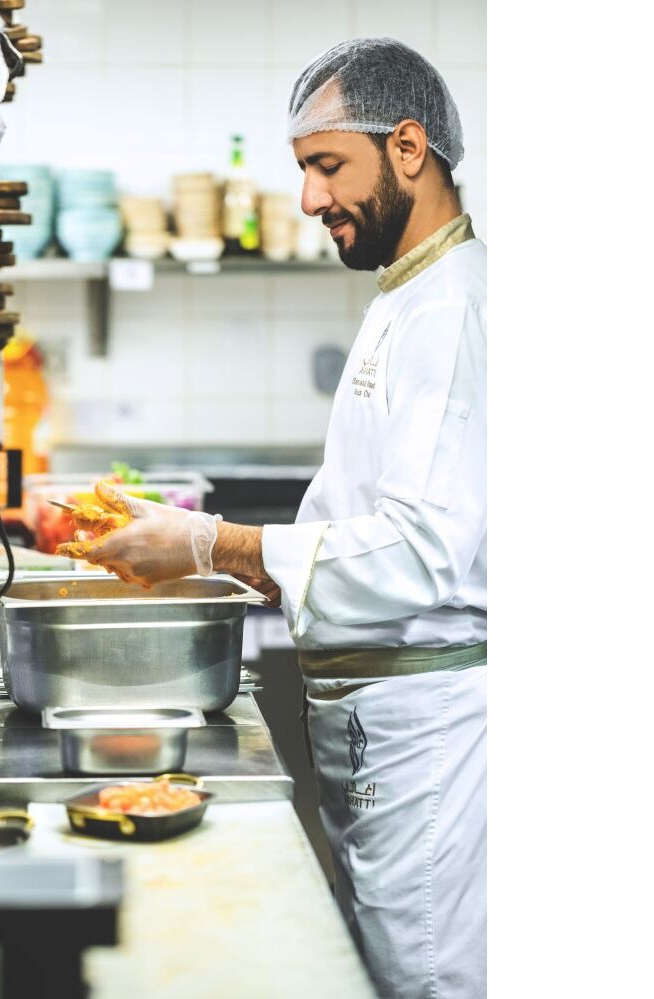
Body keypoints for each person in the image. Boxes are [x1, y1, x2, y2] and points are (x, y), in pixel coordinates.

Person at [69, 37, 487, 999]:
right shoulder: (406, 291)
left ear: (410, 148)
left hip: (429, 734)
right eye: (302, 170)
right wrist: (211, 551)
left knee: (425, 978)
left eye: (326, 165)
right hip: (378, 724)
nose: (308, 200)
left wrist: (215, 543)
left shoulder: (453, 312)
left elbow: (419, 552)